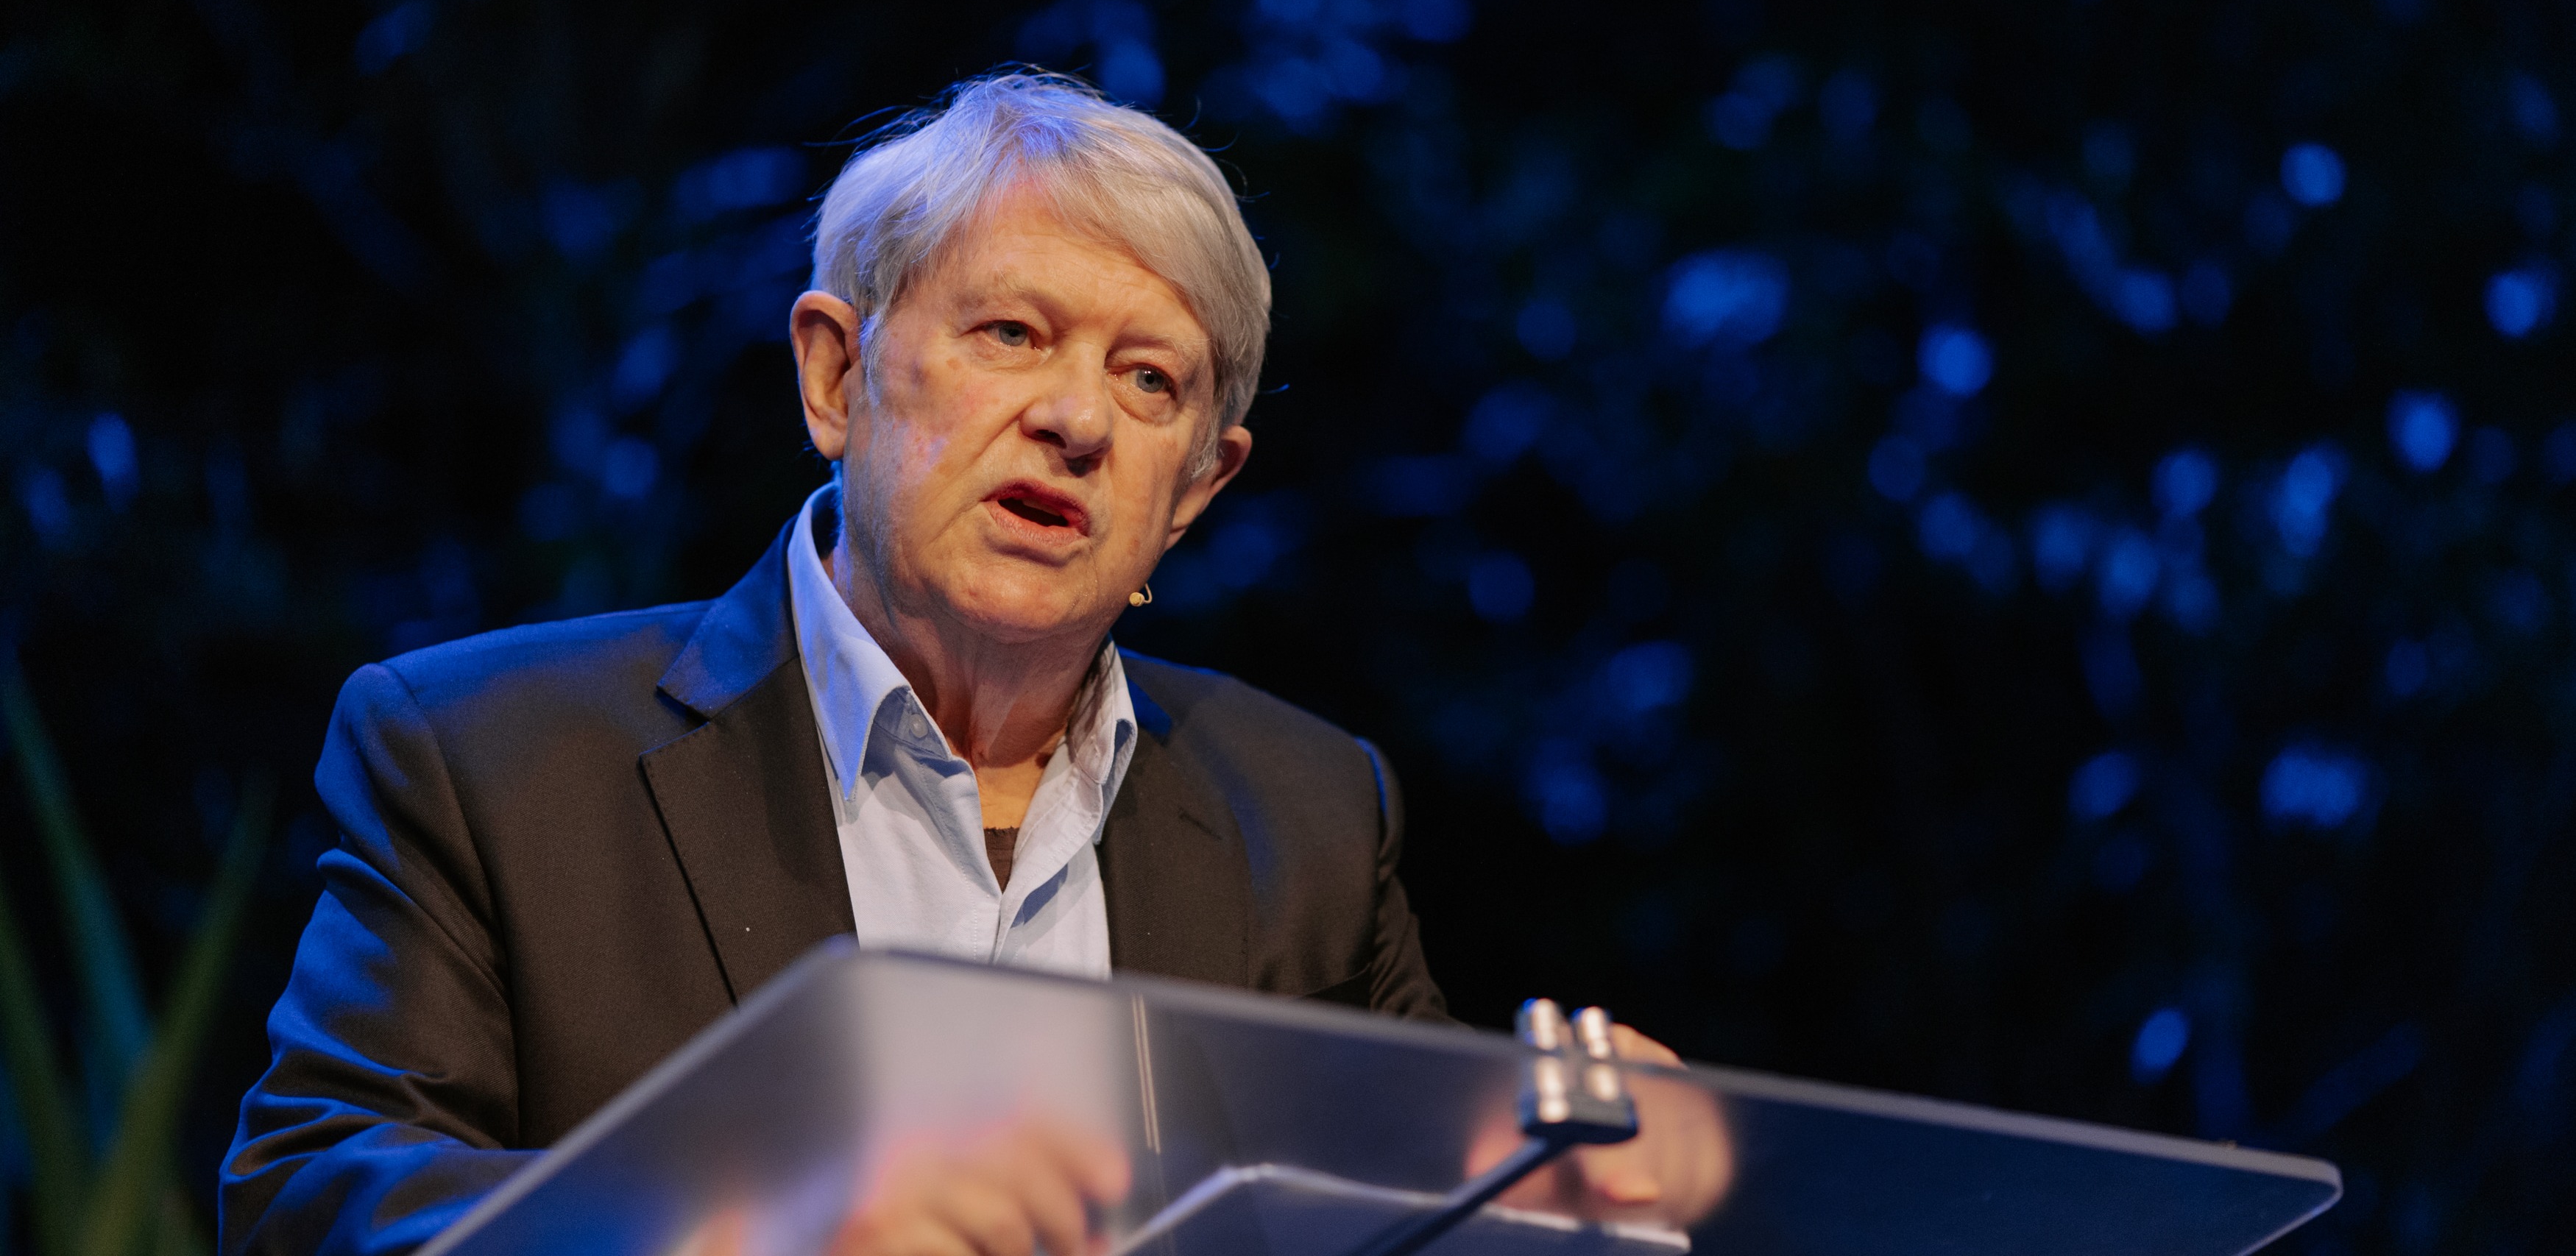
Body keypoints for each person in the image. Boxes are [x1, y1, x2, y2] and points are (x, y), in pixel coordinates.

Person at [221, 71, 1716, 1256]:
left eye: (1150, 380)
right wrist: (740, 1233)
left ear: (1195, 488)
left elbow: (1410, 1184)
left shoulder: (1306, 810)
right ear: (837, 375)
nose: (1078, 419)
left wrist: (1560, 1172)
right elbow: (314, 1198)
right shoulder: (489, 752)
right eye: (1014, 331)